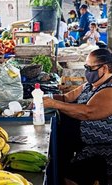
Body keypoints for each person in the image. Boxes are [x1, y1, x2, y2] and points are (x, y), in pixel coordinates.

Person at [44, 49, 112, 185]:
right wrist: (42, 98)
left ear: (104, 68)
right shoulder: (90, 86)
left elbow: (87, 112)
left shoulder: (109, 89)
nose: (87, 71)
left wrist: (54, 104)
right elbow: (66, 97)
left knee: (71, 178)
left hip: (101, 151)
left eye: (90, 67)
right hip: (81, 146)